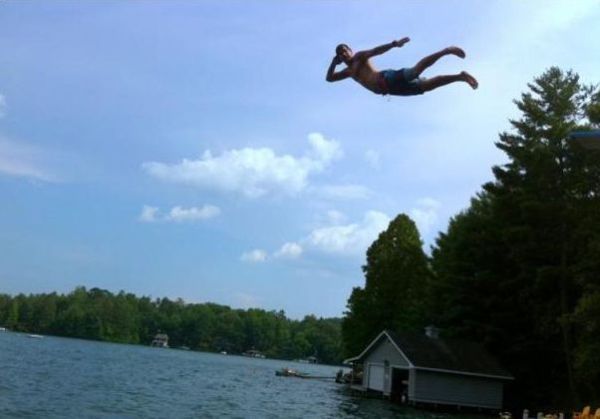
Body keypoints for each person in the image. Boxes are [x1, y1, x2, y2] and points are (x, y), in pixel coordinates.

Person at [325, 37, 478, 96]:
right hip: (390, 90)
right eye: (341, 53)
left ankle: (446, 51)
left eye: (345, 50)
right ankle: (460, 77)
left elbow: (376, 51)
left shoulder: (359, 57)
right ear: (339, 57)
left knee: (414, 71)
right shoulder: (348, 72)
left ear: (350, 51)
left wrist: (393, 44)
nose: (344, 53)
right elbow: (329, 79)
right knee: (426, 86)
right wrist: (333, 63)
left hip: (385, 78)